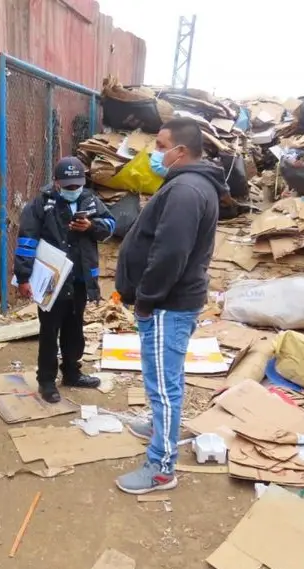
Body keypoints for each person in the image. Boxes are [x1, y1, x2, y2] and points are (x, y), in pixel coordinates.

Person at [113, 119, 225, 495]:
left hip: (167, 304)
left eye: (161, 146)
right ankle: (158, 428)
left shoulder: (187, 190)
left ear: (181, 151)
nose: (154, 153)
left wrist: (146, 299)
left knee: (164, 385)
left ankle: (161, 468)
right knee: (163, 377)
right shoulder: (188, 184)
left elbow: (170, 253)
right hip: (170, 301)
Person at [14, 156, 117, 402]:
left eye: (77, 185)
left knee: (75, 327)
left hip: (80, 278)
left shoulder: (89, 200)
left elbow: (111, 225)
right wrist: (23, 277)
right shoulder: (41, 205)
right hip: (52, 280)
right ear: (56, 182)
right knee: (49, 331)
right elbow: (26, 241)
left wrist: (91, 226)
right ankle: (46, 381)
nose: (74, 190)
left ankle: (72, 372)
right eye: (68, 186)